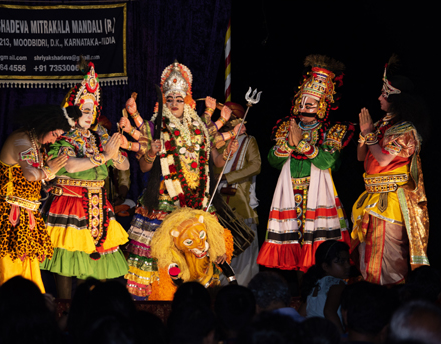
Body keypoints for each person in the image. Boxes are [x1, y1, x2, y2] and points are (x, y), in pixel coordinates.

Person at [120, 60, 243, 300]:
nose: (175, 104)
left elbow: (216, 160)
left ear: (187, 99)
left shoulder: (200, 126)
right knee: (161, 264)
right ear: (163, 100)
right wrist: (152, 152)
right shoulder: (154, 126)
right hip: (164, 203)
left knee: (198, 260)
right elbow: (144, 166)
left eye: (179, 99)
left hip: (196, 204)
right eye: (170, 99)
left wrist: (226, 154)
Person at [40, 61, 130, 299]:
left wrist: (117, 147)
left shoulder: (97, 138)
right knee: (67, 258)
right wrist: (103, 157)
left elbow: (124, 164)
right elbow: (69, 165)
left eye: (93, 111)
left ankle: (85, 312)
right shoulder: (64, 138)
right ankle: (65, 310)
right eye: (85, 110)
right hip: (69, 202)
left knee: (91, 262)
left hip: (97, 203)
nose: (90, 116)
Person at [257, 54, 354, 272]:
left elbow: (327, 160)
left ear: (321, 105)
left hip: (318, 193)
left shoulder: (332, 130)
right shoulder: (286, 126)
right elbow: (273, 160)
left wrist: (300, 144)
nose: (303, 106)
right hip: (289, 193)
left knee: (317, 247)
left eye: (309, 103)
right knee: (294, 243)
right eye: (301, 101)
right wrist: (289, 145)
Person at [0, 104, 73, 293]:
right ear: (45, 126)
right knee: (12, 273)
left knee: (31, 275)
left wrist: (49, 179)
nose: (54, 140)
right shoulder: (22, 141)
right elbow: (31, 174)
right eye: (55, 134)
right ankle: (12, 315)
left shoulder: (34, 144)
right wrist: (50, 170)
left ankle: (33, 315)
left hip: (26, 218)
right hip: (8, 217)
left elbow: (29, 179)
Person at [351, 57, 430, 285]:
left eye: (384, 95)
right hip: (371, 196)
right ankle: (371, 298)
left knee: (387, 256)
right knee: (368, 253)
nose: (379, 98)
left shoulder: (406, 129)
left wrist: (369, 134)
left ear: (397, 99)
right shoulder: (379, 125)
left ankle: (390, 301)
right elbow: (360, 157)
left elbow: (384, 160)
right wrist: (366, 133)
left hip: (391, 200)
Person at [215, 102, 261, 286]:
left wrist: (227, 176)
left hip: (240, 203)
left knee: (244, 251)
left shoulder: (249, 141)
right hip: (218, 204)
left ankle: (242, 290)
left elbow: (256, 165)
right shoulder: (218, 142)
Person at [299, 240, 350, 333]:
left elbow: (301, 314)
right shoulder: (337, 284)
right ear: (325, 266)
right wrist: (341, 338)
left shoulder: (314, 285)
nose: (347, 266)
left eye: (348, 261)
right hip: (328, 336)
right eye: (341, 262)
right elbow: (329, 312)